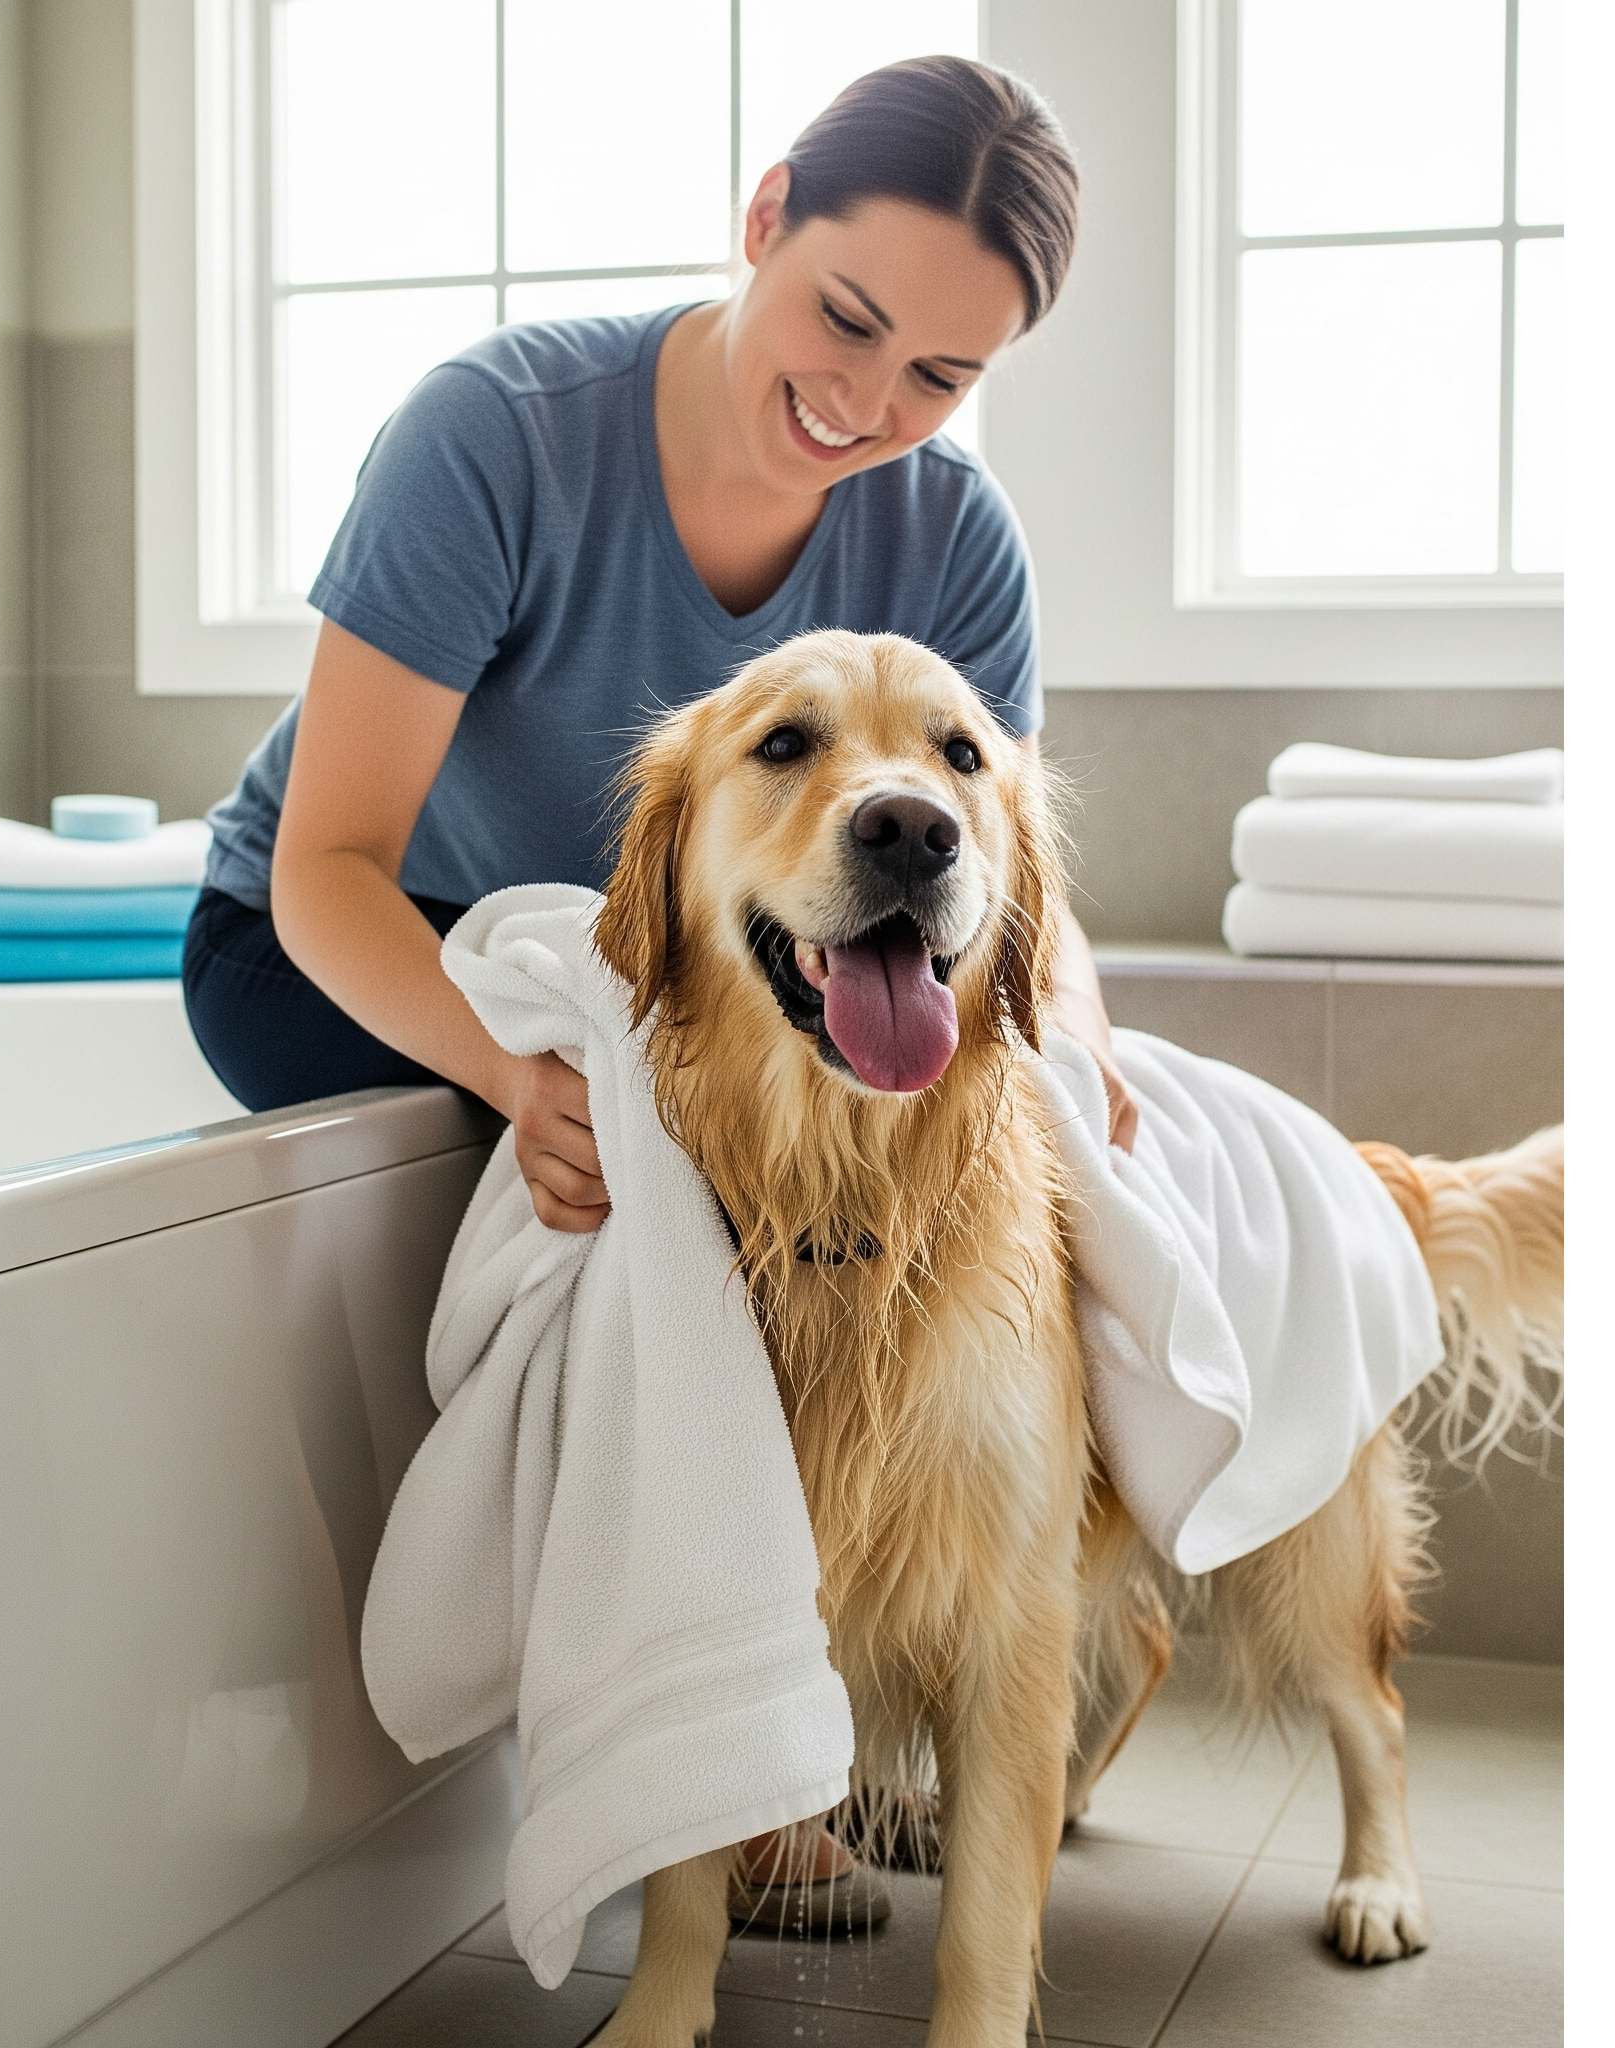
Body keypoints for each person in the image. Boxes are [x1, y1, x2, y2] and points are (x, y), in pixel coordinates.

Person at [182, 54, 1137, 1923]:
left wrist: (1079, 1052)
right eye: (846, 317)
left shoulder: (956, 539)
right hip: (376, 947)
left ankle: (824, 1708)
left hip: (693, 987)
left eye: (941, 376)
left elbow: (1005, 862)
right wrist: (518, 1074)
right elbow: (324, 867)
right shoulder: (497, 437)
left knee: (901, 1202)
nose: (867, 403)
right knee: (691, 1207)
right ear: (765, 217)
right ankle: (719, 1767)